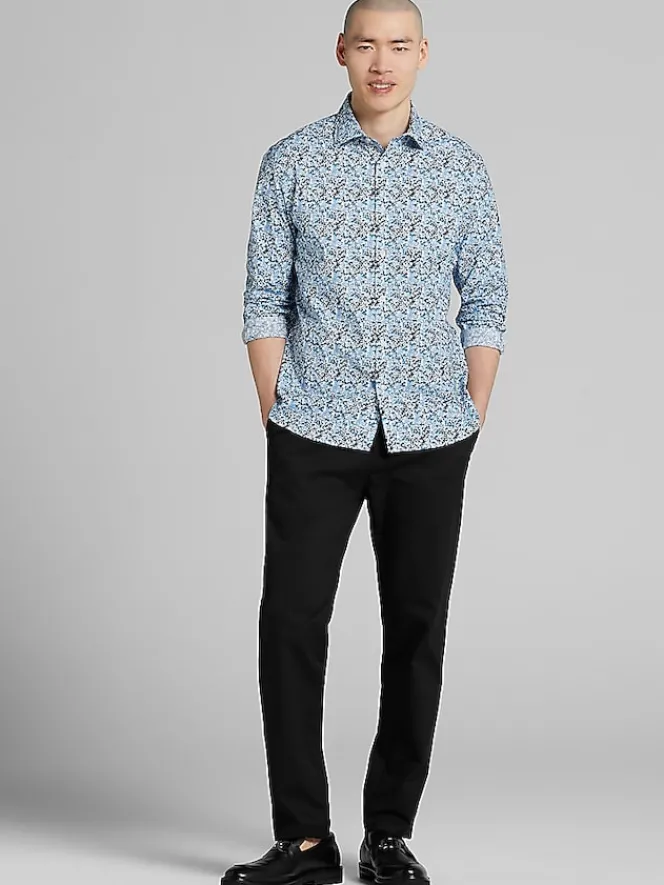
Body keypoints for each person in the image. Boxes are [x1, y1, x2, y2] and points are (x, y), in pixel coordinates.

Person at [221, 0, 509, 883]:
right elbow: (264, 296)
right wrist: (278, 404)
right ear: (341, 51)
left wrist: (472, 409)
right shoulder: (292, 161)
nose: (382, 62)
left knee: (417, 628)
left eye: (399, 45)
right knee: (290, 622)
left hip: (431, 431)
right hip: (315, 425)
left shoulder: (459, 167)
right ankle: (304, 842)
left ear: (423, 54)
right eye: (367, 45)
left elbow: (486, 296)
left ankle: (388, 835)